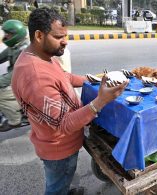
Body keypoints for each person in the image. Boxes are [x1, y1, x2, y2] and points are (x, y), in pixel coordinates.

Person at [11, 7, 128, 195]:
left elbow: (64, 77)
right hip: (59, 149)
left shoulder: (41, 56)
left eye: (65, 36)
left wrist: (94, 80)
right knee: (57, 186)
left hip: (58, 143)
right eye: (59, 37)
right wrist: (100, 100)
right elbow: (63, 125)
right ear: (39, 35)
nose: (65, 42)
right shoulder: (35, 77)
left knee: (64, 179)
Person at [0, 19, 29, 132]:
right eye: (6, 33)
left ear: (17, 34)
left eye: (9, 33)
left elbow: (16, 73)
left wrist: (1, 81)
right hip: (16, 79)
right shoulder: (14, 46)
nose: (6, 35)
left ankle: (14, 120)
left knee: (1, 94)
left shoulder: (23, 50)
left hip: (22, 82)